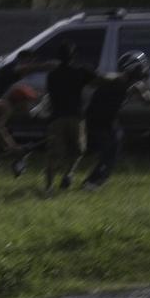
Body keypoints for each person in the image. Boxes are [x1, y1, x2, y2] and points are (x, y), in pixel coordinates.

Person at [41, 42, 111, 194]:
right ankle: (68, 173)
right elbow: (100, 80)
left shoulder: (52, 75)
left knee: (55, 153)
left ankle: (49, 186)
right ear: (74, 56)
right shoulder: (80, 71)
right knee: (78, 150)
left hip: (57, 118)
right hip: (75, 117)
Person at [82, 51, 150, 191]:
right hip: (98, 118)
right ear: (134, 69)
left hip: (108, 119)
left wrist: (148, 81)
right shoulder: (118, 78)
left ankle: (95, 178)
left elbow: (148, 100)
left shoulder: (133, 84)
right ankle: (93, 182)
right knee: (110, 150)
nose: (143, 70)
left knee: (114, 145)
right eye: (141, 68)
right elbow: (102, 79)